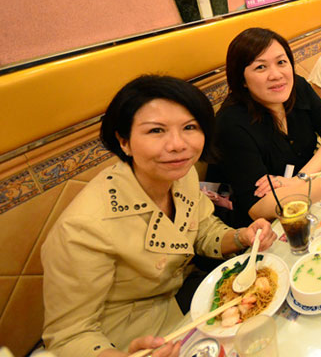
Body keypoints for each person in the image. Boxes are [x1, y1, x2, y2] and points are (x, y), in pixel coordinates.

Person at [41, 75, 278, 357]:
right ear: (124, 142)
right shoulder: (83, 228)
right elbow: (68, 336)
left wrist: (242, 236)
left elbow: (202, 229)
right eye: (156, 131)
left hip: (185, 302)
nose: (178, 145)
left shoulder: (181, 174)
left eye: (189, 127)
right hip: (127, 339)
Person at [206, 28, 321, 225]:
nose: (276, 75)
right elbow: (258, 208)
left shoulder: (297, 87)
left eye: (281, 62)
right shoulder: (231, 124)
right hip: (260, 227)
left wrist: (300, 179)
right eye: (261, 67)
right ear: (242, 79)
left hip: (305, 198)